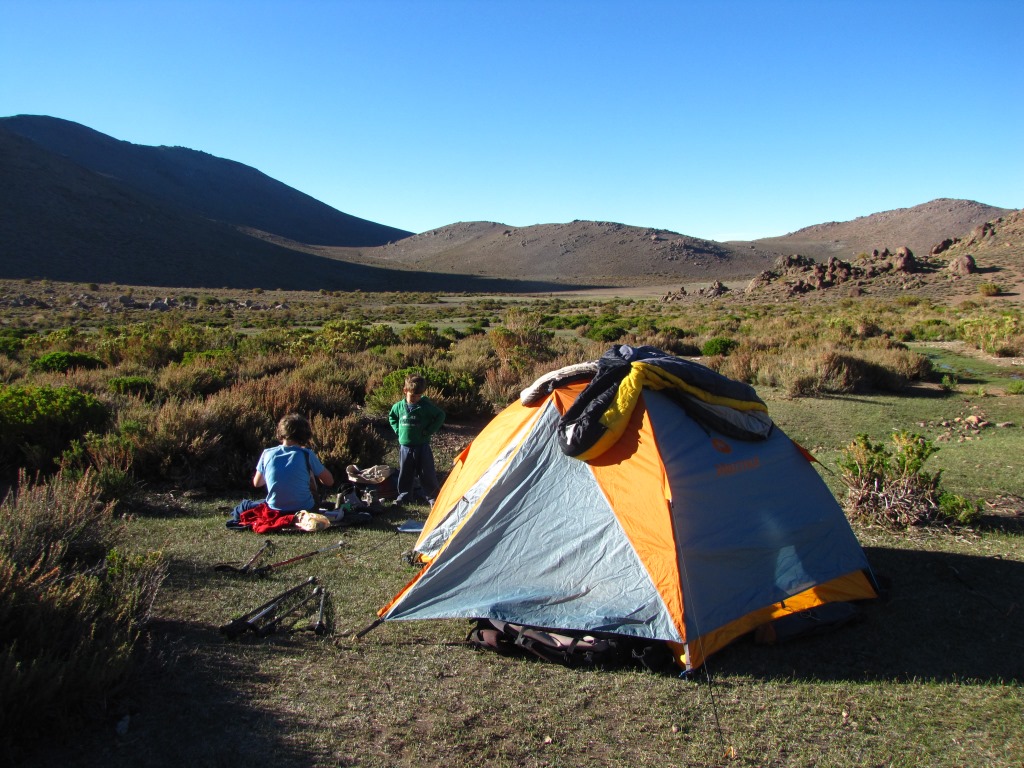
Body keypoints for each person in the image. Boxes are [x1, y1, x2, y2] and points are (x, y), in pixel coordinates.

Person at [228, 413, 335, 530]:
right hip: (306, 508)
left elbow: (257, 483)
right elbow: (329, 481)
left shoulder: (267, 453)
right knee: (307, 471)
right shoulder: (306, 454)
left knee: (251, 505)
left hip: (275, 509)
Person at [388, 374, 445, 506]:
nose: (416, 399)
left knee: (427, 473)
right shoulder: (398, 407)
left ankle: (433, 497)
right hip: (405, 446)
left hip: (422, 446)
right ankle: (404, 496)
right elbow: (392, 417)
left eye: (419, 396)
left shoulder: (425, 406)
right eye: (413, 396)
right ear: (405, 391)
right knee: (405, 472)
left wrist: (429, 431)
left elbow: (440, 415)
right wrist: (398, 430)